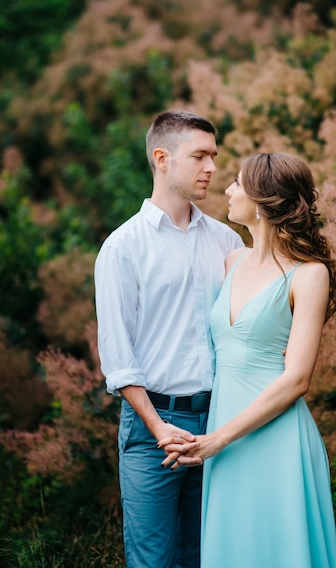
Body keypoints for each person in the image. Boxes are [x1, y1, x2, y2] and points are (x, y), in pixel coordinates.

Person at [160, 151, 336, 567]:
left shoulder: (309, 273)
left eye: (238, 183)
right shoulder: (232, 260)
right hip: (222, 439)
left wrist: (216, 439)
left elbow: (297, 379)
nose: (227, 189)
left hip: (276, 438)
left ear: (262, 202)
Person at [94, 110, 243, 568]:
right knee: (153, 558)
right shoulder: (123, 247)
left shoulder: (225, 240)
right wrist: (160, 429)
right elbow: (118, 357)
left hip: (218, 424)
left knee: (207, 555)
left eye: (214, 156)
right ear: (162, 158)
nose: (212, 168)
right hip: (150, 430)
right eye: (200, 156)